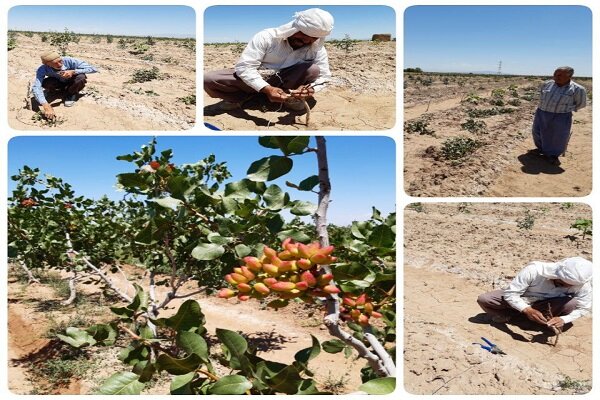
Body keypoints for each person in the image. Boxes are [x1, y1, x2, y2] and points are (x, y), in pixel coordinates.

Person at [204, 8, 334, 112]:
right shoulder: (266, 37)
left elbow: (324, 76)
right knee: (209, 79)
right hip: (261, 76)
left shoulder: (317, 49)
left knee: (313, 69)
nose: (307, 41)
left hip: (289, 82)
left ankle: (290, 98)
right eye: (304, 35)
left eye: (313, 38)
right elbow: (245, 67)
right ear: (295, 27)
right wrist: (267, 88)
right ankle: (240, 98)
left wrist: (311, 89)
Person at [477, 257, 592, 328]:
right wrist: (527, 309)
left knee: (571, 304)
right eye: (562, 282)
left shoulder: (582, 284)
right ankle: (510, 316)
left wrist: (564, 319)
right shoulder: (535, 270)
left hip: (547, 305)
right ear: (556, 274)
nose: (566, 286)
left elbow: (583, 308)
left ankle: (544, 322)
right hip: (523, 298)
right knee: (485, 299)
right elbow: (511, 294)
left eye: (569, 285)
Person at [530, 66, 587, 166]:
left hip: (561, 116)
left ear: (569, 76)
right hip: (542, 112)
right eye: (555, 74)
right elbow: (541, 96)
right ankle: (541, 149)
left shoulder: (577, 89)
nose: (556, 76)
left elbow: (581, 103)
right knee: (537, 131)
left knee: (557, 136)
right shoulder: (547, 84)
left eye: (560, 75)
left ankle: (553, 155)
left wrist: (566, 109)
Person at [32, 50, 98, 120]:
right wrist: (45, 105)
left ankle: (71, 94)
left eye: (60, 61)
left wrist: (74, 71)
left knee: (81, 77)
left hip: (71, 82)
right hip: (58, 82)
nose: (59, 64)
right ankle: (54, 91)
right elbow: (37, 86)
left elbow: (93, 69)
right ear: (47, 65)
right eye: (55, 63)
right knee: (45, 82)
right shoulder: (42, 69)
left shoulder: (69, 60)